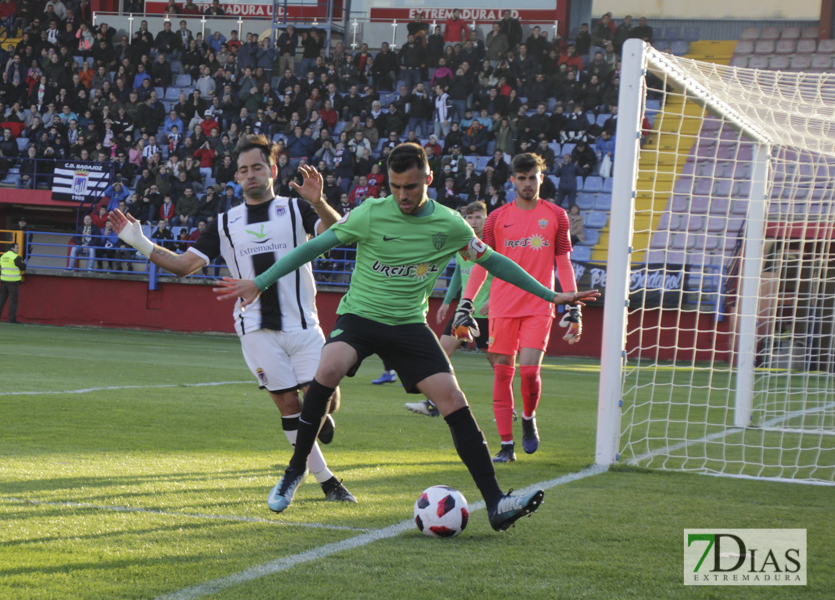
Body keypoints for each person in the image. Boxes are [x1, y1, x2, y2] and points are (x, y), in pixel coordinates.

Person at [214, 143, 597, 526]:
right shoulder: (370, 213)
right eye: (395, 187)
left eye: (411, 187)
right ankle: (295, 472)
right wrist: (260, 282)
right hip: (361, 317)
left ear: (428, 179)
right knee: (328, 369)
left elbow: (493, 261)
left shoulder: (449, 224)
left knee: (452, 398)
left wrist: (551, 295)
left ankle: (496, 503)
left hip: (409, 325)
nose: (402, 196)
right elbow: (315, 246)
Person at [110, 134, 356, 504]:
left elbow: (336, 234)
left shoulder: (295, 209)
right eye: (243, 170)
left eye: (257, 167)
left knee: (328, 400)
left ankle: (317, 423)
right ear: (236, 177)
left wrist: (318, 201)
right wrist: (139, 242)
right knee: (290, 405)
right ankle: (324, 480)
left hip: (303, 323)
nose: (250, 175)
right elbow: (183, 266)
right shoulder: (225, 223)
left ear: (272, 170)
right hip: (255, 327)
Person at [459, 152, 586, 463]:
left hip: (539, 304)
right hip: (502, 306)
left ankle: (528, 418)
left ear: (542, 178)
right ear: (513, 180)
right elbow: (482, 264)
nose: (528, 183)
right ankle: (505, 446)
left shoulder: (556, 215)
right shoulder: (496, 218)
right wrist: (467, 301)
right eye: (522, 178)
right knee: (503, 375)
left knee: (529, 371)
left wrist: (573, 304)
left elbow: (563, 262)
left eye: (533, 177)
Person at [405, 201, 492, 418]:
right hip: (464, 312)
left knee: (499, 364)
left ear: (486, 219)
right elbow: (457, 274)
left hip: (489, 313)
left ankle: (508, 409)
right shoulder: (463, 243)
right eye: (469, 217)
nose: (473, 221)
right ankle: (433, 403)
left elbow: (505, 273)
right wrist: (446, 301)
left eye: (478, 217)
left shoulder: (493, 243)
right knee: (441, 354)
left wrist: (495, 299)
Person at [0, 240, 26, 323]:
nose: (18, 250)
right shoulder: (16, 257)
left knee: (1, 300)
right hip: (13, 282)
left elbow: (0, 265)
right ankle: (12, 319)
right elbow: (23, 267)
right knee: (13, 301)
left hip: (3, 281)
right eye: (17, 248)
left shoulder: (3, 256)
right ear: (12, 248)